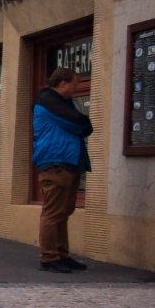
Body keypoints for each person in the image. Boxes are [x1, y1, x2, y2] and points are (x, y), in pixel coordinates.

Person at [33, 67, 92, 273]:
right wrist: (83, 123)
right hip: (55, 162)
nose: (76, 89)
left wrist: (83, 124)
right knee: (53, 213)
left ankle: (61, 254)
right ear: (63, 83)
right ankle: (49, 258)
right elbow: (79, 122)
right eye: (74, 84)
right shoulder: (48, 101)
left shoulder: (61, 102)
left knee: (63, 212)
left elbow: (84, 125)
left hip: (68, 162)